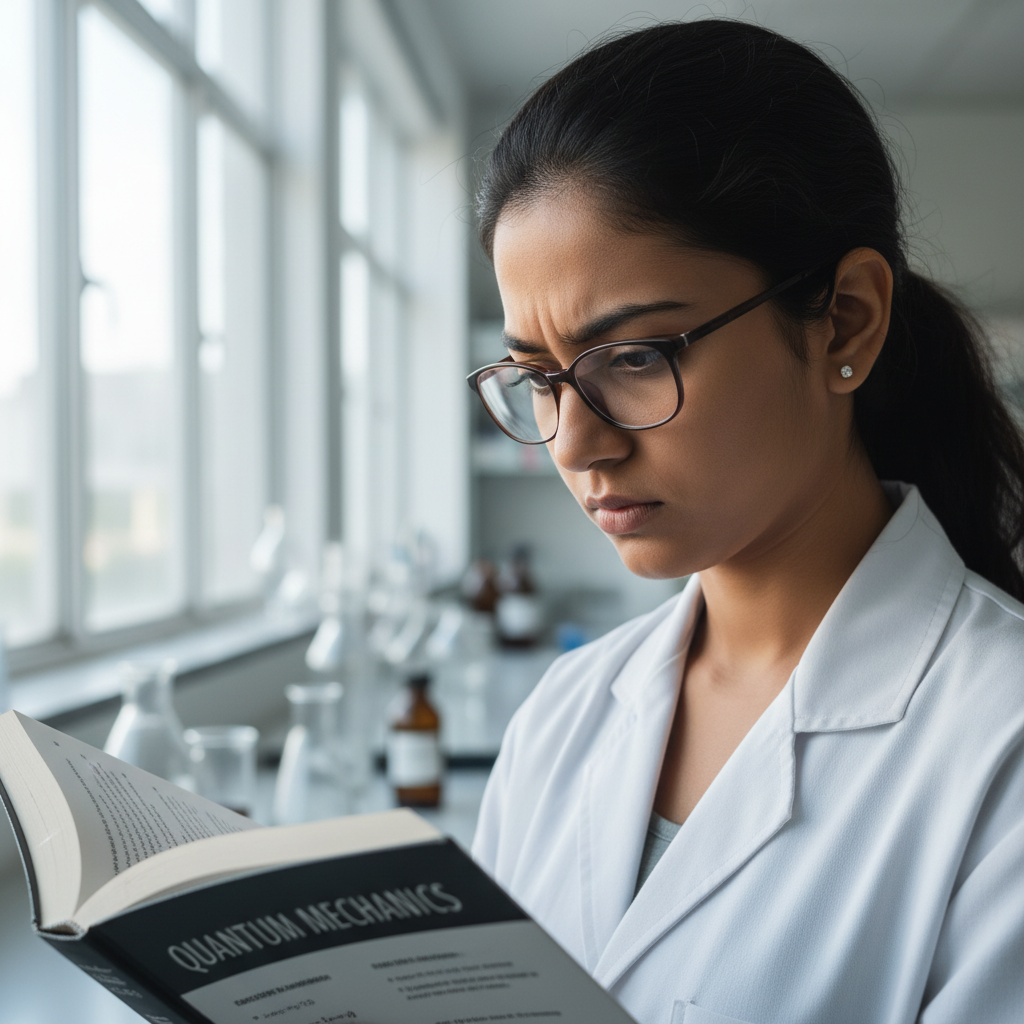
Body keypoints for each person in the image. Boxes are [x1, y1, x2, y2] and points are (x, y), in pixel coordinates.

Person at [466, 20, 1024, 1024]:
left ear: (844, 319)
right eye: (540, 378)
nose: (576, 445)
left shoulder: (1000, 739)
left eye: (633, 357)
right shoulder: (565, 713)